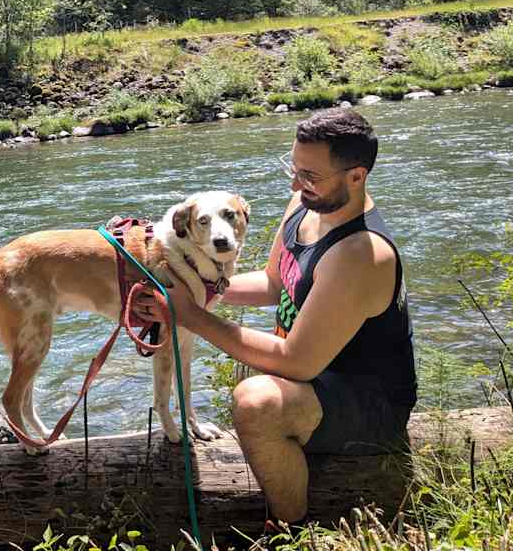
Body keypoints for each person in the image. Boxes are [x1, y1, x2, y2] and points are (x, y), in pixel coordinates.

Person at [135, 107, 416, 526]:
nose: (294, 183)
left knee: (256, 401)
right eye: (294, 167)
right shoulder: (305, 206)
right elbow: (272, 283)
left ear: (356, 176)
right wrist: (189, 285)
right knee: (257, 382)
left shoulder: (360, 254)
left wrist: (190, 314)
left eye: (309, 176)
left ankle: (291, 528)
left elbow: (294, 361)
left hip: (368, 403)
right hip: (315, 378)